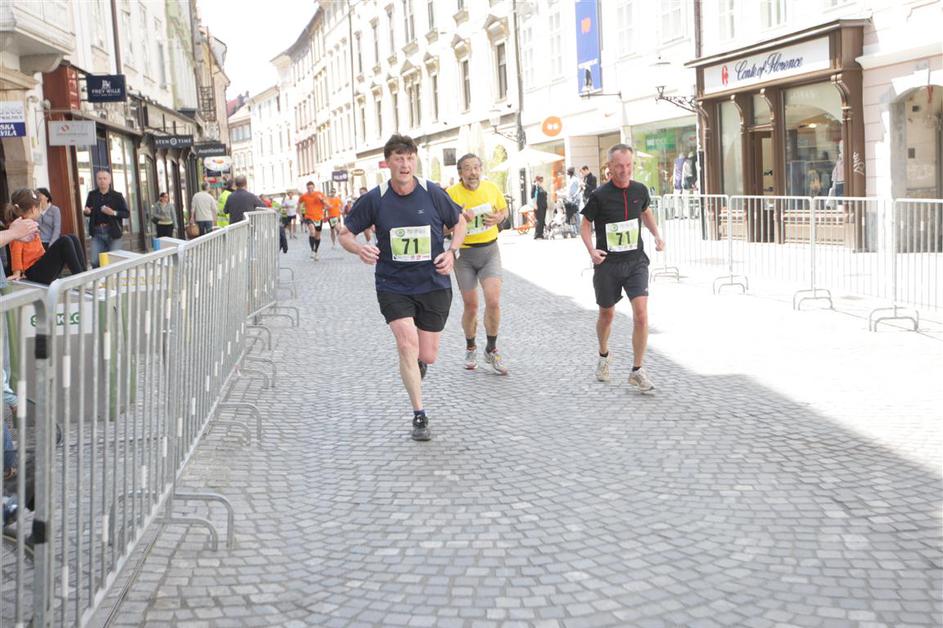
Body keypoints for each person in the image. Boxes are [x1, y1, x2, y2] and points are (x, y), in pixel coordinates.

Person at [338, 134, 466, 441]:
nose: (405, 164)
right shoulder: (375, 198)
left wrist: (452, 252)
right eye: (398, 158)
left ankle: (419, 363)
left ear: (415, 161)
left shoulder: (432, 192)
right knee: (407, 344)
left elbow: (459, 222)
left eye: (409, 158)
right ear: (388, 163)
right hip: (393, 283)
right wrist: (360, 249)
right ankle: (419, 415)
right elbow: (345, 234)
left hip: (433, 282)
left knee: (428, 354)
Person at [580, 144, 665, 392]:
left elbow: (645, 213)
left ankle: (637, 370)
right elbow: (585, 225)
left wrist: (657, 235)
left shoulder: (639, 190)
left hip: (636, 261)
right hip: (608, 264)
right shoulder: (599, 195)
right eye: (619, 166)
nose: (625, 170)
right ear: (609, 166)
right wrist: (591, 250)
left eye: (628, 165)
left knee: (641, 314)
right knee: (607, 315)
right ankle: (603, 355)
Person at [446, 153, 510, 374]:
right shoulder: (451, 194)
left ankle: (491, 349)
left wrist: (499, 218)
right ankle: (470, 346)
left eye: (476, 167)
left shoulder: (491, 188)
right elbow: (441, 228)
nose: (473, 172)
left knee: (493, 301)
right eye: (467, 168)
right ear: (460, 172)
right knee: (471, 306)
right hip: (464, 256)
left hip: (490, 251)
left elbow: (504, 210)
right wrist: (460, 221)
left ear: (481, 169)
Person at [6, 188, 86, 285]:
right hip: (33, 272)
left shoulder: (30, 224)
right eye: (39, 208)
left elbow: (39, 250)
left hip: (40, 265)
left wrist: (48, 256)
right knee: (64, 241)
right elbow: (16, 251)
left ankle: (84, 275)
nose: (40, 211)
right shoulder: (20, 226)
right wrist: (17, 272)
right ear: (33, 209)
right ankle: (82, 281)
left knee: (72, 237)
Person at [83, 170, 129, 267]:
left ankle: (113, 277)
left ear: (109, 180)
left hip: (113, 232)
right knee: (95, 261)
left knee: (114, 261)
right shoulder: (92, 195)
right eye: (99, 178)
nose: (102, 181)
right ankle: (99, 277)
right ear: (96, 180)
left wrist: (113, 213)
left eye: (105, 178)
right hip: (97, 232)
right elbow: (88, 210)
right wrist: (87, 212)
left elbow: (126, 213)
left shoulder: (117, 195)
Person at [298, 181, 327, 260]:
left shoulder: (319, 194)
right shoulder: (304, 196)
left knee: (317, 236)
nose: (310, 189)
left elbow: (326, 204)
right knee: (312, 231)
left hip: (319, 217)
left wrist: (322, 200)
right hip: (309, 217)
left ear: (314, 187)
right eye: (308, 188)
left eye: (311, 188)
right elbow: (299, 205)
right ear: (306, 188)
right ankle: (312, 250)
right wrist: (300, 215)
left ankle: (316, 252)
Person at [565, 166, 581, 234]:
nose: (567, 173)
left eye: (568, 171)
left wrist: (575, 195)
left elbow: (580, 187)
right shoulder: (570, 179)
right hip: (570, 199)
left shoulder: (576, 179)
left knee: (576, 213)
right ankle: (574, 229)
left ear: (570, 172)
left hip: (575, 199)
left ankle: (578, 230)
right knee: (571, 214)